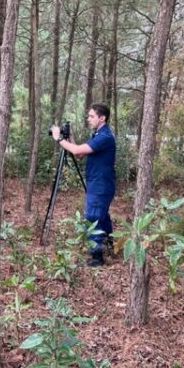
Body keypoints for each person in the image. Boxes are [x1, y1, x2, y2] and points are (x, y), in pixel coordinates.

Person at [51, 103, 116, 267]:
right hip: (99, 183)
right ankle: (109, 244)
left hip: (100, 185)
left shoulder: (105, 137)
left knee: (93, 217)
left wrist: (58, 138)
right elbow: (80, 154)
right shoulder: (98, 135)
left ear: (102, 118)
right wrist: (69, 138)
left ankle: (96, 257)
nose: (88, 119)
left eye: (91, 116)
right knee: (102, 215)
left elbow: (77, 151)